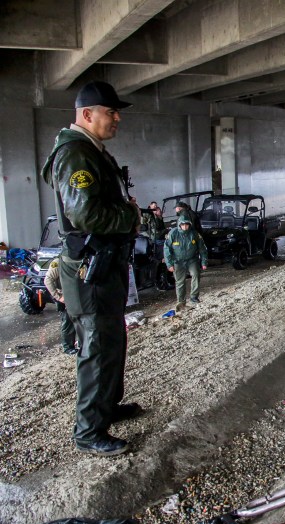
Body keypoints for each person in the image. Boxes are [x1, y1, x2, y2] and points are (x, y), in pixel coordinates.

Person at [40, 80, 143, 457]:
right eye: (110, 112)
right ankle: (88, 431)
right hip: (90, 269)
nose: (117, 118)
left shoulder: (91, 151)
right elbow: (85, 213)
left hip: (104, 265)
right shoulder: (75, 154)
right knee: (97, 347)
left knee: (111, 340)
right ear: (87, 115)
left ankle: (106, 408)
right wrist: (129, 215)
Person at [164, 215, 208, 309]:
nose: (185, 227)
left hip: (192, 259)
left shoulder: (194, 234)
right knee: (180, 281)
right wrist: (169, 264)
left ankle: (194, 297)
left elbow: (202, 248)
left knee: (196, 274)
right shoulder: (173, 233)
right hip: (178, 261)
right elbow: (167, 249)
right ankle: (181, 301)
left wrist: (204, 262)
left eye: (187, 225)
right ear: (179, 225)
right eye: (183, 225)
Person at [43, 255, 78, 355]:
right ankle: (68, 347)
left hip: (75, 295)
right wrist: (58, 297)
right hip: (64, 297)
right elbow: (48, 280)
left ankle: (78, 343)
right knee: (68, 322)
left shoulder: (77, 259)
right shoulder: (58, 262)